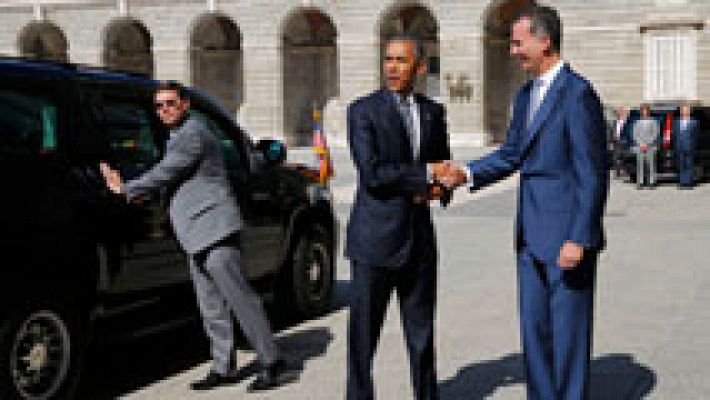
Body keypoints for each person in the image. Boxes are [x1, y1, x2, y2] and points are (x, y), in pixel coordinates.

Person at [435, 5, 608, 399]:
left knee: (568, 340)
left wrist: (579, 237)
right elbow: (512, 154)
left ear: (544, 41)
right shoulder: (527, 93)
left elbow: (592, 173)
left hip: (566, 239)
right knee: (535, 337)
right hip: (529, 236)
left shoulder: (578, 94)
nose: (512, 51)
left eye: (518, 43)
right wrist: (465, 173)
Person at [99, 81, 296, 392]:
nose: (164, 110)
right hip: (195, 231)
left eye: (170, 103)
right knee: (211, 304)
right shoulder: (177, 135)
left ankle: (273, 363)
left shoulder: (193, 134)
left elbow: (167, 170)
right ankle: (223, 367)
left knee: (240, 299)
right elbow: (175, 181)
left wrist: (126, 188)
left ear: (185, 104)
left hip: (215, 229)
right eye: (159, 106)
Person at [345, 35, 451, 400]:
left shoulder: (433, 112)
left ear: (420, 67)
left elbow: (444, 167)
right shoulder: (362, 111)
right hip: (374, 242)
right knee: (363, 338)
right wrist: (425, 176)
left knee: (422, 336)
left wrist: (442, 187)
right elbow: (373, 174)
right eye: (387, 59)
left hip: (419, 242)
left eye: (401, 61)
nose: (391, 67)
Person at [632, 104, 660, 189]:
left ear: (648, 112)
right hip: (640, 146)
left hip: (650, 146)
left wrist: (647, 144)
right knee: (640, 165)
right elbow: (635, 134)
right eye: (643, 111)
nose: (644, 113)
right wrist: (641, 144)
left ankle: (651, 182)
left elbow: (655, 134)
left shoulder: (654, 122)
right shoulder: (637, 122)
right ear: (641, 112)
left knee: (651, 165)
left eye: (646, 111)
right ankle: (640, 182)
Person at [673, 104, 698, 189]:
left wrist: (693, 145)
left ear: (690, 111)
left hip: (689, 146)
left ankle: (689, 183)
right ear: (681, 112)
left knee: (689, 165)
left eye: (686, 110)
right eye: (683, 110)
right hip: (679, 146)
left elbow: (695, 135)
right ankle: (682, 183)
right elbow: (675, 135)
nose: (685, 112)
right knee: (681, 164)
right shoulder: (676, 122)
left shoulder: (694, 122)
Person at [608, 106, 629, 178]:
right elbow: (611, 132)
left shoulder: (627, 122)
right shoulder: (615, 122)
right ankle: (617, 172)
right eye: (620, 112)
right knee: (616, 158)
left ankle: (625, 171)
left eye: (623, 112)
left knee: (624, 157)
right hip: (616, 141)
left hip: (625, 141)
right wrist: (611, 142)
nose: (621, 114)